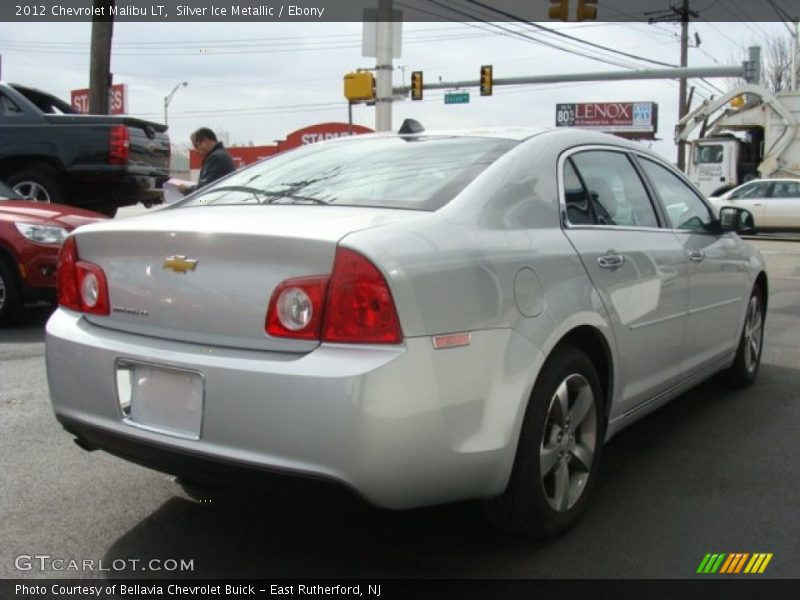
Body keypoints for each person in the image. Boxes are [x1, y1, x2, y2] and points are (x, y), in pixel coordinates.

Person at [179, 128, 236, 194]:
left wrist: (186, 190)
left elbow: (205, 189)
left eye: (197, 146)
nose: (196, 151)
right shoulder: (220, 155)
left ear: (206, 141)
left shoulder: (216, 158)